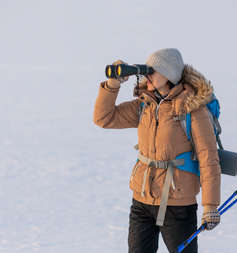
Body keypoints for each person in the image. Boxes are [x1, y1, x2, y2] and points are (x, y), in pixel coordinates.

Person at [93, 48, 221, 253]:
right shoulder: (145, 105)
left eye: (152, 70)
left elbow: (209, 158)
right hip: (142, 200)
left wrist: (210, 206)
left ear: (169, 75)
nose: (146, 75)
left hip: (178, 204)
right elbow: (103, 118)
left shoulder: (192, 109)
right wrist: (113, 84)